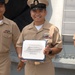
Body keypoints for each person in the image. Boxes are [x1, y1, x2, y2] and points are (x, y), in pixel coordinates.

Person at [16, 0, 62, 75]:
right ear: (30, 13)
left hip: (45, 67)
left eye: (40, 11)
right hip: (29, 67)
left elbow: (59, 47)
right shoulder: (26, 29)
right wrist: (20, 55)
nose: (37, 14)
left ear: (45, 12)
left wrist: (50, 50)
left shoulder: (52, 29)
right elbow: (19, 44)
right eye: (34, 11)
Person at [0, 0, 20, 75]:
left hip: (4, 61)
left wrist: (21, 59)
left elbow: (18, 43)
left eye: (1, 6)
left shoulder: (12, 25)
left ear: (4, 8)